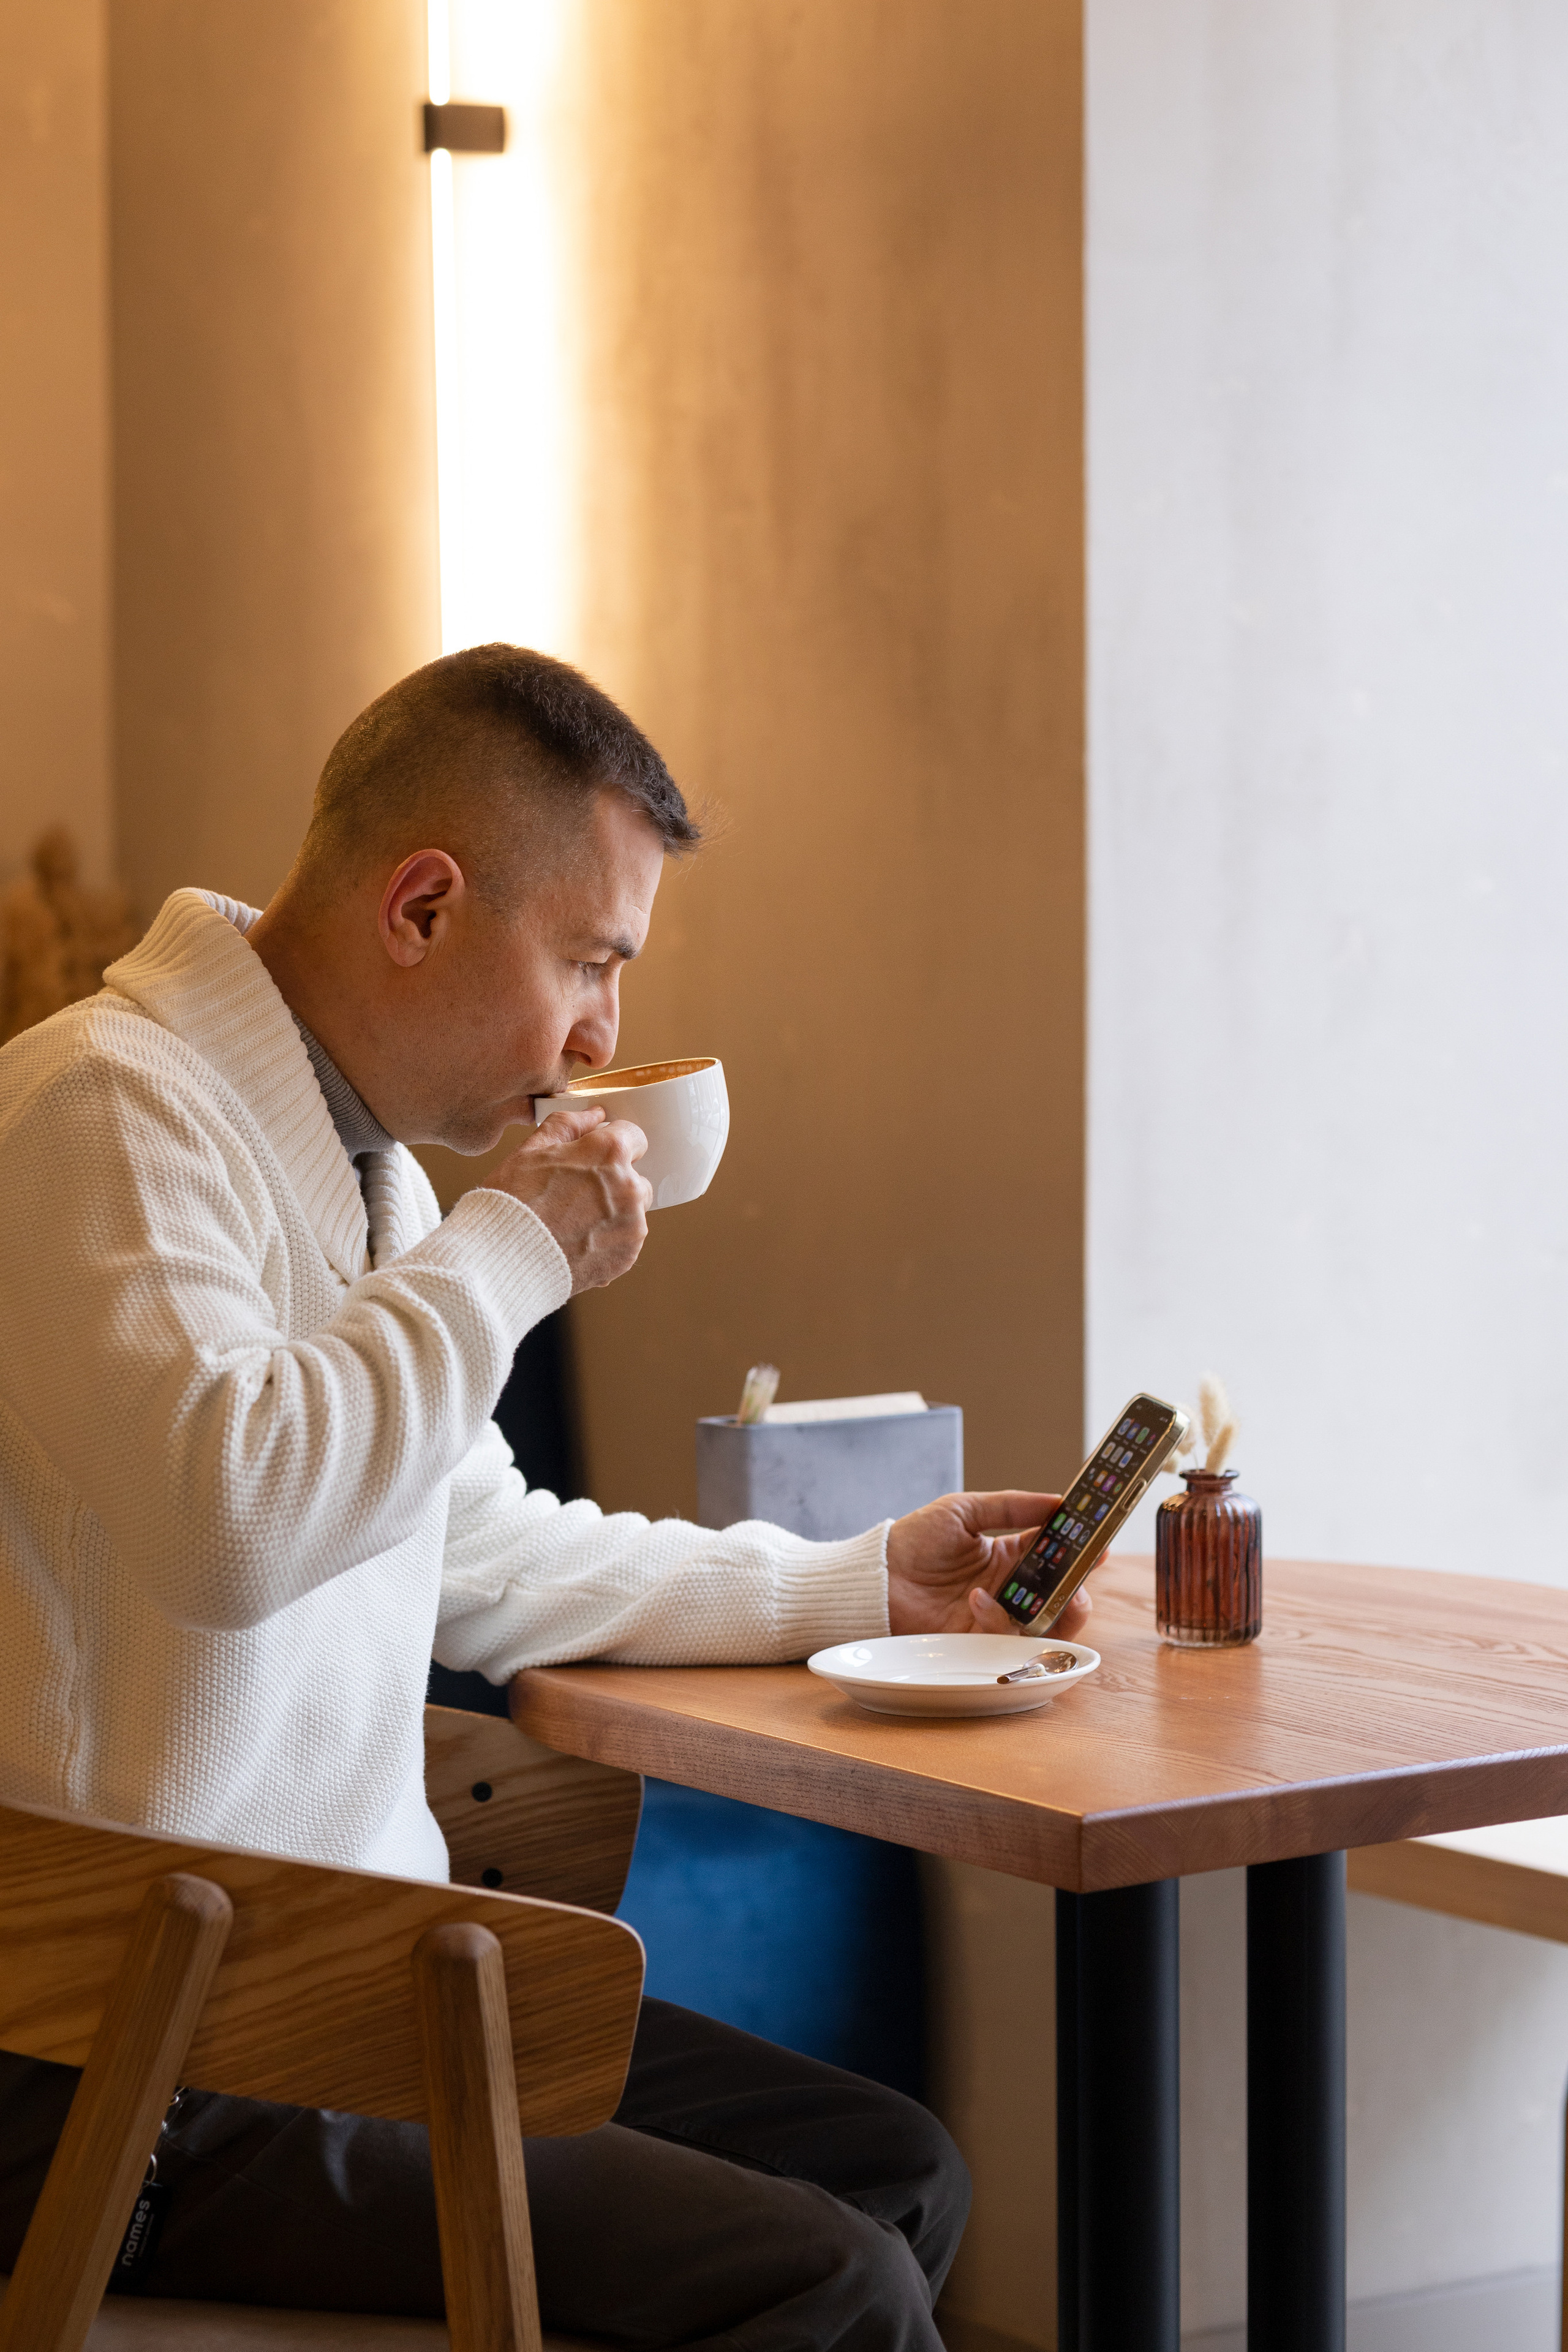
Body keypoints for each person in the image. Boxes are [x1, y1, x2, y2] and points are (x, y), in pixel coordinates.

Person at [0, 645, 1085, 2346]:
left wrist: (864, 1584)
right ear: (422, 906)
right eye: (590, 961)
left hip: (330, 1987)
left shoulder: (365, 1171)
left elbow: (481, 1546)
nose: (604, 1036)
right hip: (136, 2067)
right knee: (834, 2281)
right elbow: (233, 1520)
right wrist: (513, 1247)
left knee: (895, 2168)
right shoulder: (100, 1109)